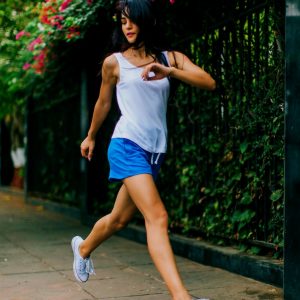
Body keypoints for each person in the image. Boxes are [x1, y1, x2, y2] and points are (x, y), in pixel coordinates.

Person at [71, 0, 216, 299]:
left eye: (132, 20)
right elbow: (104, 103)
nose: (127, 26)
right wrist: (91, 136)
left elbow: (209, 82)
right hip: (126, 145)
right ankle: (181, 296)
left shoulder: (170, 58)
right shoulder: (114, 63)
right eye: (122, 21)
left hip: (154, 152)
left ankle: (83, 248)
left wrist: (170, 72)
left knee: (120, 219)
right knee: (158, 217)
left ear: (145, 21)